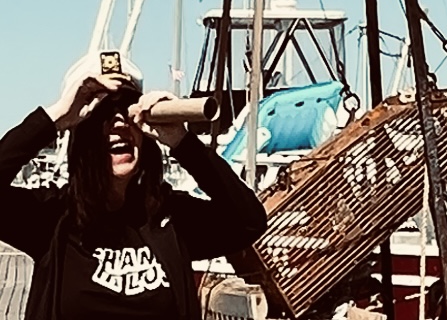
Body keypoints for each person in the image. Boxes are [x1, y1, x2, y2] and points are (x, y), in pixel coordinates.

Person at [0, 73, 268, 320]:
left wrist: (181, 141)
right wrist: (55, 118)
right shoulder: (54, 219)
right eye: (102, 115)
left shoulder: (169, 218)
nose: (119, 123)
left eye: (127, 112)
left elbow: (248, 221)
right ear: (83, 140)